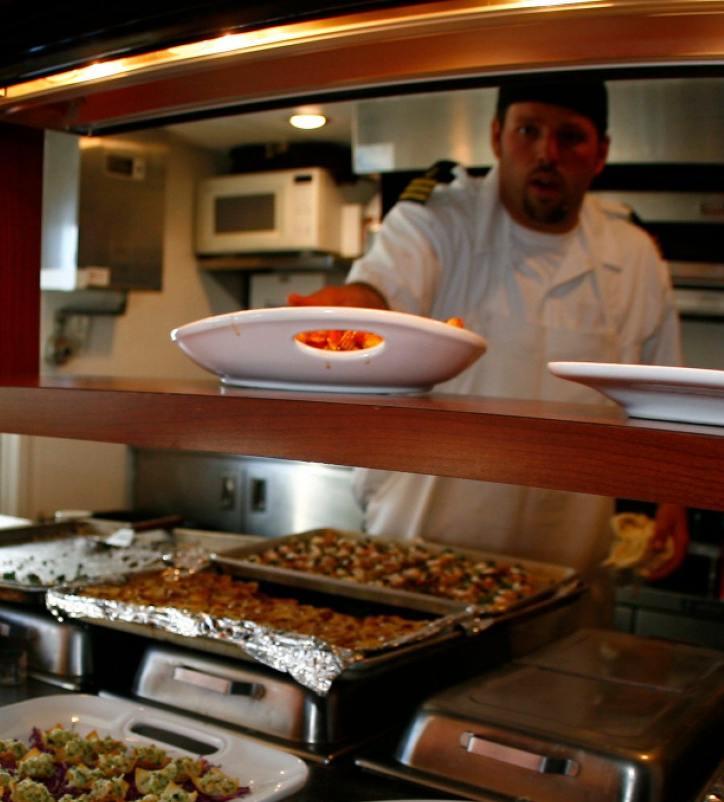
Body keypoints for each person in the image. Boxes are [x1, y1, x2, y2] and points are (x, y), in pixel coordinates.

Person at [289, 74, 689, 602]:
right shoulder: (437, 222)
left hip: (565, 580)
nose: (547, 153)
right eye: (528, 131)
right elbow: (380, 289)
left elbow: (668, 403)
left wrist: (673, 500)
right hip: (418, 570)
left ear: (601, 154)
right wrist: (350, 309)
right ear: (497, 136)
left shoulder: (635, 257)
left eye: (570, 136)